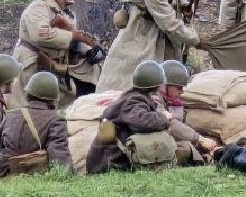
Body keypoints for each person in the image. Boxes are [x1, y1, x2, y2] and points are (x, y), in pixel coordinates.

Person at [86, 60, 218, 173]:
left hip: (117, 158)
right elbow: (142, 121)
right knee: (184, 148)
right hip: (111, 162)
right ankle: (209, 161)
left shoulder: (135, 98)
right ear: (161, 85)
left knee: (179, 146)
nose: (181, 92)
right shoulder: (134, 100)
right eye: (178, 88)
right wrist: (163, 117)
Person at [9, 0, 102, 107]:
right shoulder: (38, 8)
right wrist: (74, 35)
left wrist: (87, 49)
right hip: (33, 63)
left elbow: (70, 40)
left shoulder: (66, 12)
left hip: (55, 65)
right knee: (28, 107)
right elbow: (41, 35)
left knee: (89, 78)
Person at [0, 72, 74, 177]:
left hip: (2, 172)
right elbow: (58, 154)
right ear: (52, 100)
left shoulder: (11, 115)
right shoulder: (56, 121)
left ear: (28, 95)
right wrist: (68, 174)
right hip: (34, 173)